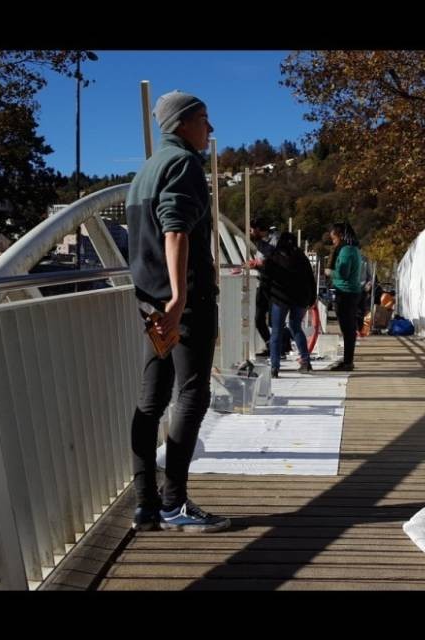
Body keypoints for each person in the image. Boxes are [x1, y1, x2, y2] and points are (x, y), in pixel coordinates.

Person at [126, 90, 230, 533]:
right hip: (181, 305)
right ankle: (174, 504)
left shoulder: (145, 170)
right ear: (183, 123)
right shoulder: (184, 163)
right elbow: (175, 232)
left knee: (151, 402)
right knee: (192, 395)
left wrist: (163, 301)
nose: (211, 129)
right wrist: (181, 298)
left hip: (150, 302)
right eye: (205, 119)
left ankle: (146, 504)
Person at [250, 232, 316, 377]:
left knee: (276, 332)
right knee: (296, 327)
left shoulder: (275, 257)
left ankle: (275, 367)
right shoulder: (302, 258)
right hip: (300, 299)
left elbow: (267, 277)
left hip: (280, 299)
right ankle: (306, 361)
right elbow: (311, 279)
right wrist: (312, 299)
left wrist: (268, 298)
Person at [326, 222, 362, 371]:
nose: (333, 242)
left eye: (334, 238)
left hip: (345, 293)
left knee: (347, 329)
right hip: (352, 292)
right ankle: (348, 360)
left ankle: (348, 362)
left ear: (340, 236)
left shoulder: (346, 251)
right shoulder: (355, 249)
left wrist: (330, 272)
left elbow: (343, 273)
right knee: (349, 329)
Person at [249, 217, 279, 357]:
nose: (250, 232)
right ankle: (269, 345)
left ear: (258, 230)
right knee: (259, 318)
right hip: (262, 283)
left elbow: (273, 259)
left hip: (274, 285)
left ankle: (278, 347)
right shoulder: (260, 243)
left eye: (252, 230)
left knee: (275, 320)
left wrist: (259, 264)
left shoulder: (273, 240)